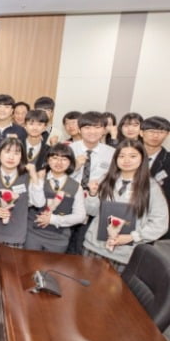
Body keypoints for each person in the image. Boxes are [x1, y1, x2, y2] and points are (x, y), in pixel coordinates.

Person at [0, 137, 45, 321]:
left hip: (14, 231)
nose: (11, 156)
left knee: (4, 270)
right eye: (7, 151)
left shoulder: (26, 177)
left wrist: (35, 176)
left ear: (22, 157)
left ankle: (2, 304)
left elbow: (39, 202)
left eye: (17, 152)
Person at [83, 140, 168, 272]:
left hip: (125, 254)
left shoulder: (151, 188)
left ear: (142, 159)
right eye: (121, 156)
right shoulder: (105, 179)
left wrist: (132, 237)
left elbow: (160, 223)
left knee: (115, 292)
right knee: (85, 287)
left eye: (133, 156)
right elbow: (92, 211)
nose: (126, 160)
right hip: (94, 246)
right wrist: (93, 195)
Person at [68, 111, 115, 254]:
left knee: (83, 248)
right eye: (87, 127)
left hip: (95, 207)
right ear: (80, 129)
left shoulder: (112, 153)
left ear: (104, 130)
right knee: (63, 247)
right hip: (68, 204)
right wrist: (74, 167)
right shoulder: (69, 149)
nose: (92, 132)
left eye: (97, 127)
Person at [25, 143, 86, 252]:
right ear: (48, 160)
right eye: (54, 158)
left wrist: (53, 219)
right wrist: (36, 181)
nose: (59, 162)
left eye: (64, 159)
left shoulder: (76, 187)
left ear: (70, 162)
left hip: (58, 238)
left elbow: (80, 216)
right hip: (32, 234)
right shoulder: (38, 178)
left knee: (50, 269)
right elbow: (29, 203)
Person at [140, 116, 170, 239]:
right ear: (141, 133)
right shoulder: (127, 155)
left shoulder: (168, 160)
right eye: (151, 131)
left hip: (154, 216)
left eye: (161, 132)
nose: (156, 136)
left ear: (167, 134)